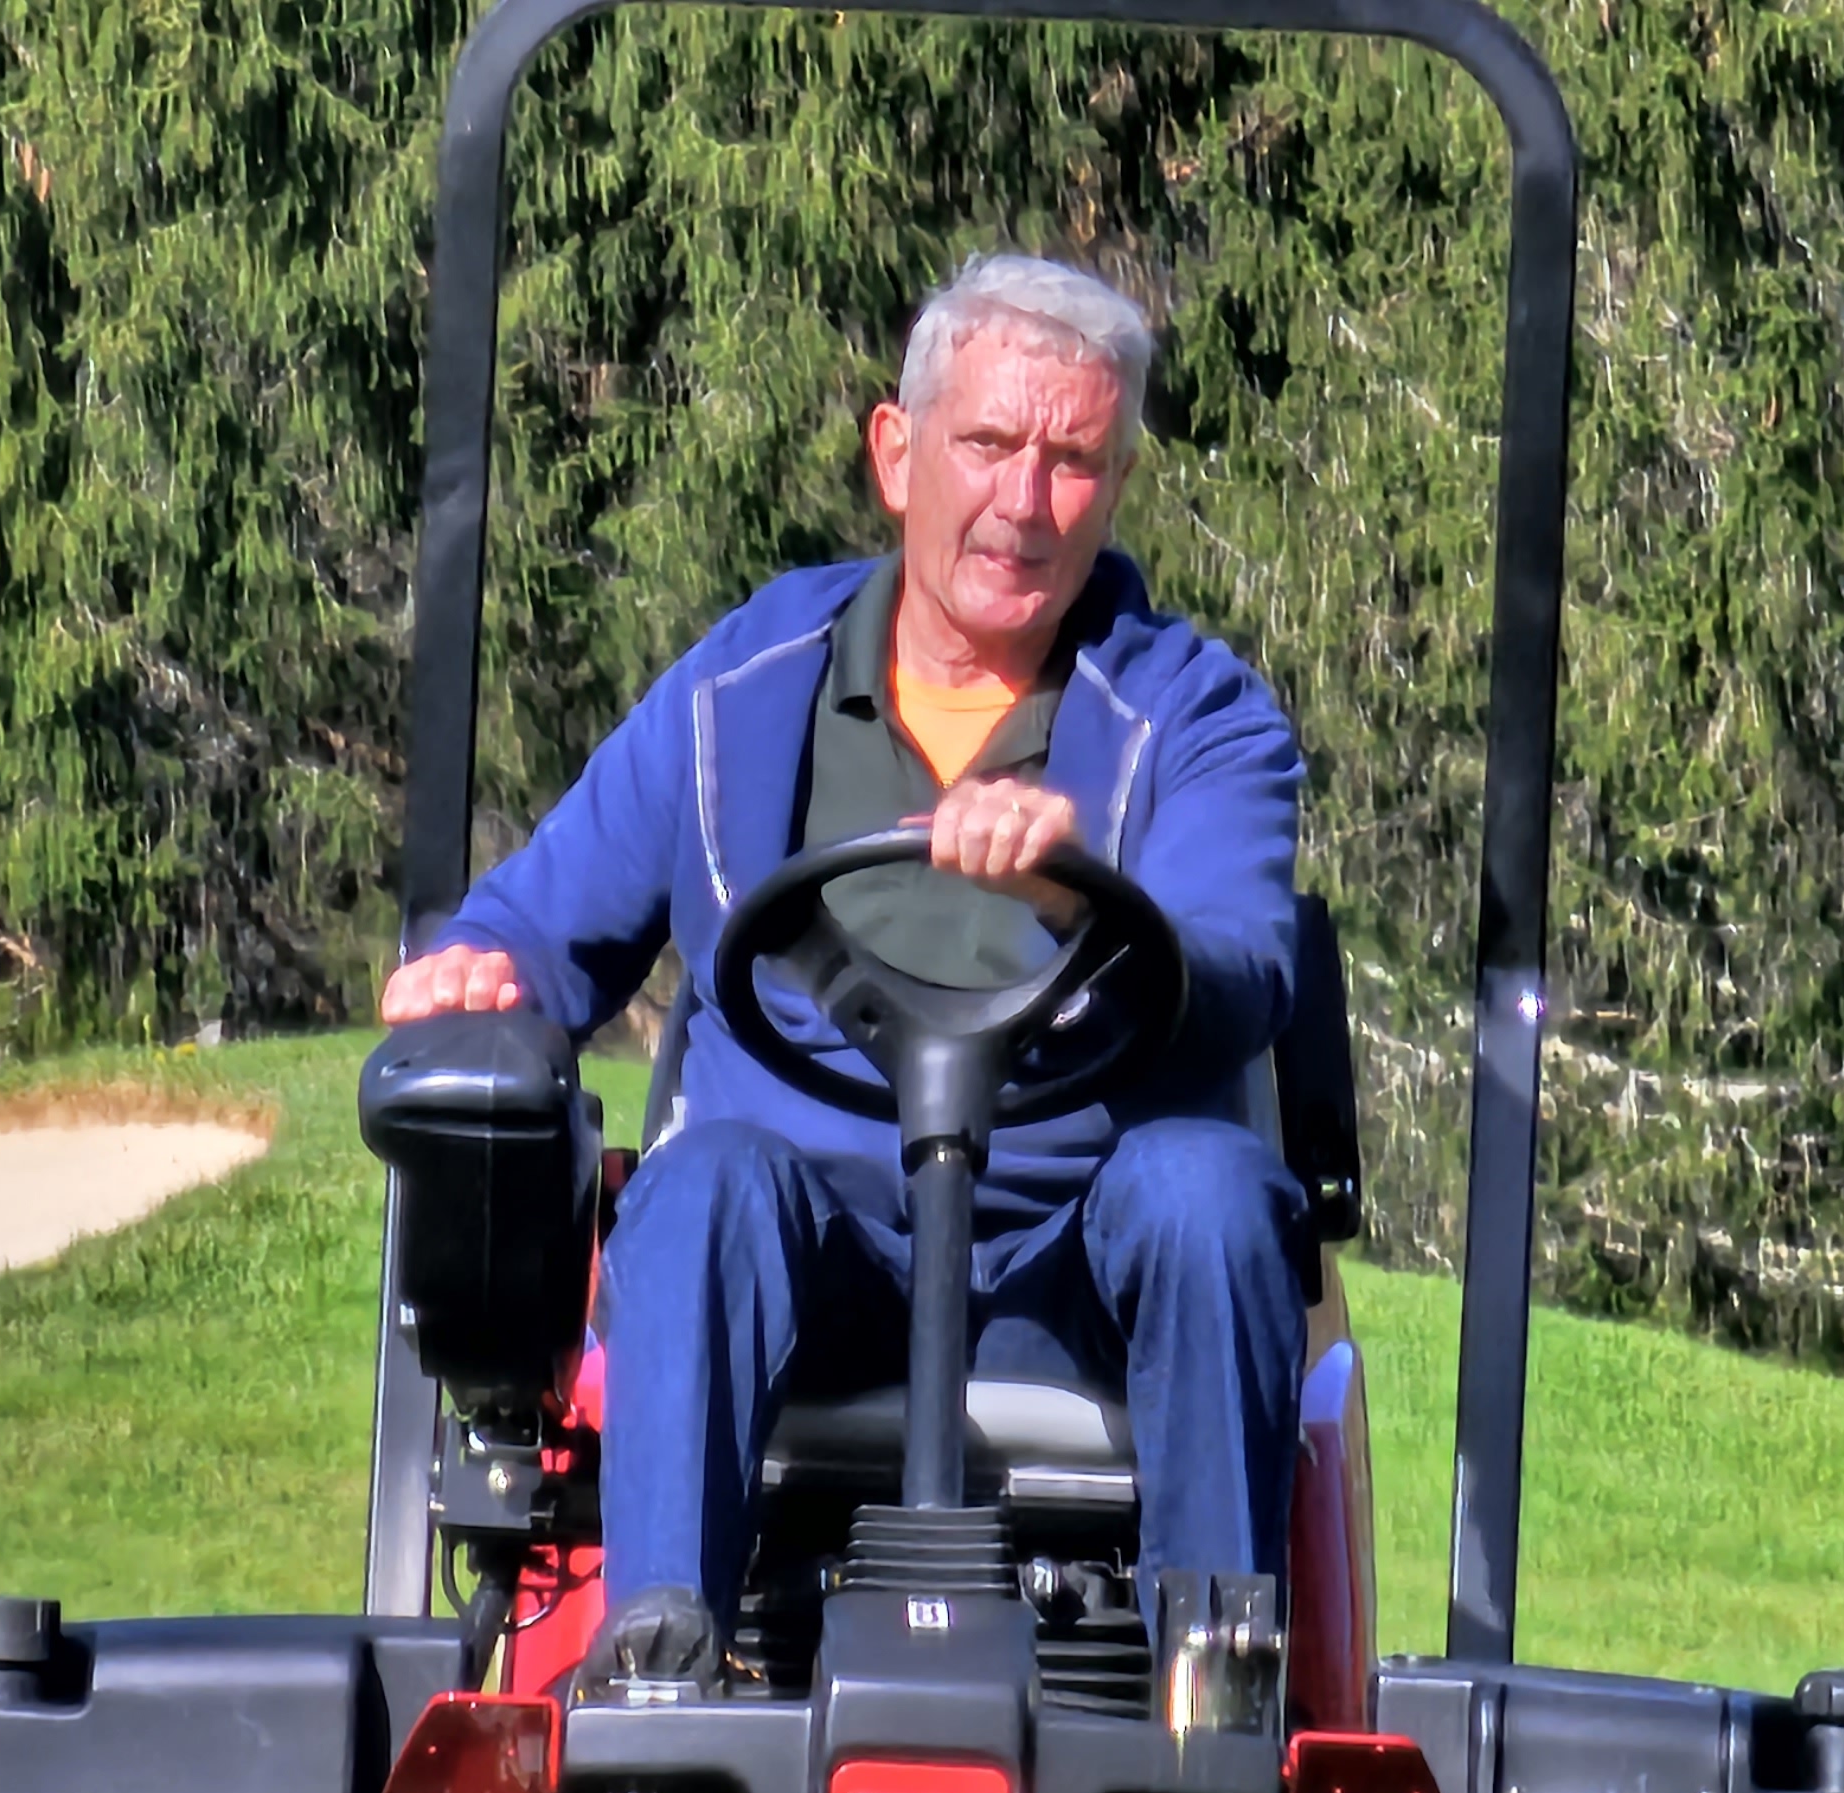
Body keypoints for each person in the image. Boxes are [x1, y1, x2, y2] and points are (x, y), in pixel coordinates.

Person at [381, 252, 1306, 1687]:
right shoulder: (746, 689)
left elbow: (1240, 963)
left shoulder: (1196, 714)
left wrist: (1072, 888)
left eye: (1073, 461)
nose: (1024, 502)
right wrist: (477, 972)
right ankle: (662, 1665)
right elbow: (537, 926)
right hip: (815, 1253)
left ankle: (1216, 1694)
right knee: (694, 1186)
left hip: (1080, 1269)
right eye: (990, 444)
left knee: (1212, 1191)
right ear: (899, 452)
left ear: (1118, 484)